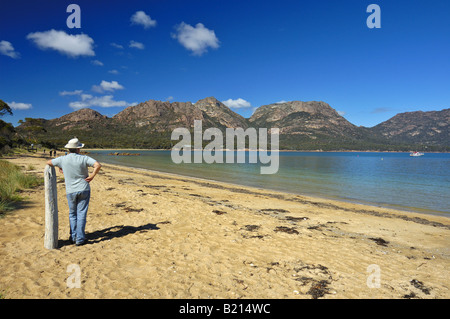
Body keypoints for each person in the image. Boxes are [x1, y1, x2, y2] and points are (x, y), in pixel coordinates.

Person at [46, 138, 102, 246]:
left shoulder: (63, 159)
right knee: (81, 214)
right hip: (84, 188)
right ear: (78, 149)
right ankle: (80, 239)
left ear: (69, 149)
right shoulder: (84, 158)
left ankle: (73, 237)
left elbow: (48, 162)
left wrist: (60, 166)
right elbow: (98, 165)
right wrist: (92, 176)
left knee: (72, 214)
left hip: (70, 190)